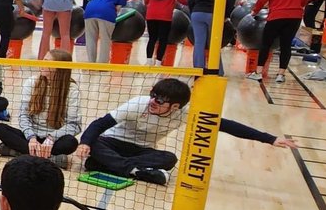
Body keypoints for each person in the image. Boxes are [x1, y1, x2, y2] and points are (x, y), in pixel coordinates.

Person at [75, 78, 298, 184]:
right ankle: (137, 172)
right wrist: (85, 142)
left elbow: (227, 125)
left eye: (160, 101)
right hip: (113, 143)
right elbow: (99, 124)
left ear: (175, 107)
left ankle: (119, 167)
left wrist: (270, 139)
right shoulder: (139, 103)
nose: (154, 102)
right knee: (95, 143)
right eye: (154, 96)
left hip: (141, 151)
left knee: (169, 158)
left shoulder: (185, 113)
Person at [0, 50, 80, 168]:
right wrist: (31, 137)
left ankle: (17, 152)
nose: (41, 63)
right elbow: (24, 115)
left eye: (47, 61)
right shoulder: (31, 82)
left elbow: (74, 124)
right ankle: (51, 158)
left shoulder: (72, 89)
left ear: (59, 67)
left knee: (71, 142)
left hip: (54, 139)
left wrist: (51, 138)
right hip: (31, 136)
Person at [249, 0, 307, 84]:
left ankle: (258, 72)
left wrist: (255, 11)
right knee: (286, 45)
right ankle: (281, 74)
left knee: (266, 44)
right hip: (294, 17)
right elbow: (304, 0)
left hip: (276, 16)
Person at [188, 0, 235, 74]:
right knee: (214, 42)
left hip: (197, 13)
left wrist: (193, 11)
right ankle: (217, 70)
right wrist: (226, 15)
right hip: (214, 14)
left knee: (199, 43)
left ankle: (198, 70)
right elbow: (230, 0)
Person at [144, 0, 187, 66]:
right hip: (165, 15)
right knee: (163, 39)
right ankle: (158, 62)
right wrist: (191, 2)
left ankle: (148, 61)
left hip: (151, 14)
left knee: (152, 38)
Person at [83, 0, 127, 64]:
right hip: (106, 13)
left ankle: (91, 64)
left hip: (89, 10)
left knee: (90, 39)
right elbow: (118, 7)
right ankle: (102, 65)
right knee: (105, 40)